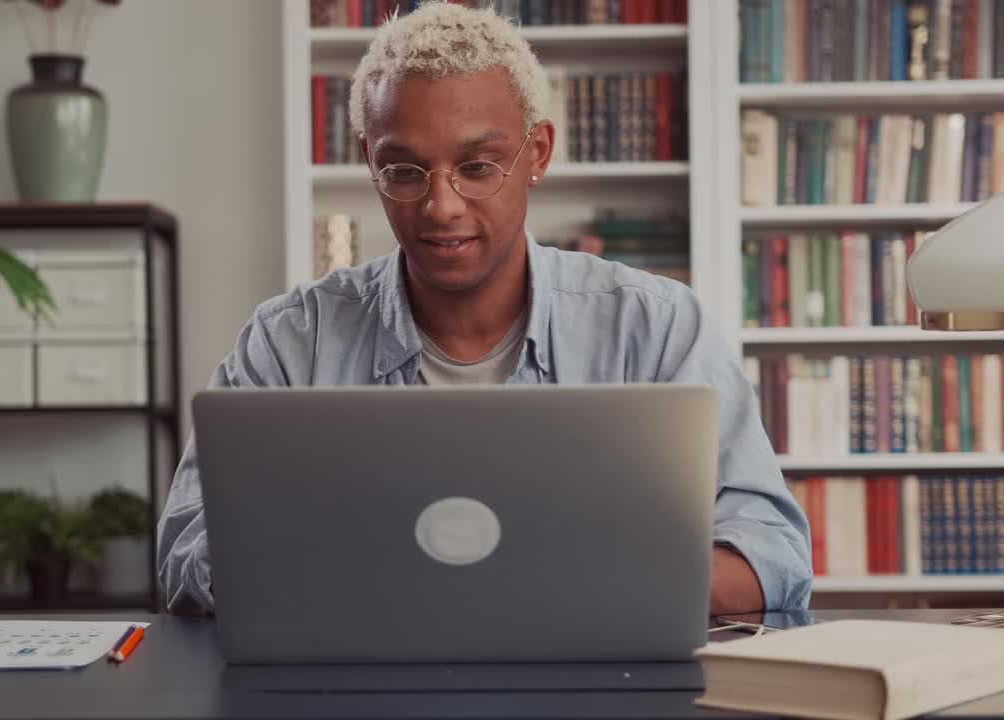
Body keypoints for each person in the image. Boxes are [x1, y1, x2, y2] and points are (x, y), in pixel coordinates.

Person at [158, 1, 811, 616]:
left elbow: (771, 555)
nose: (440, 206)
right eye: (404, 171)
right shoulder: (289, 341)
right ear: (370, 162)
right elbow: (188, 551)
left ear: (539, 154)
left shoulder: (658, 328)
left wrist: (559, 590)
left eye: (477, 167)